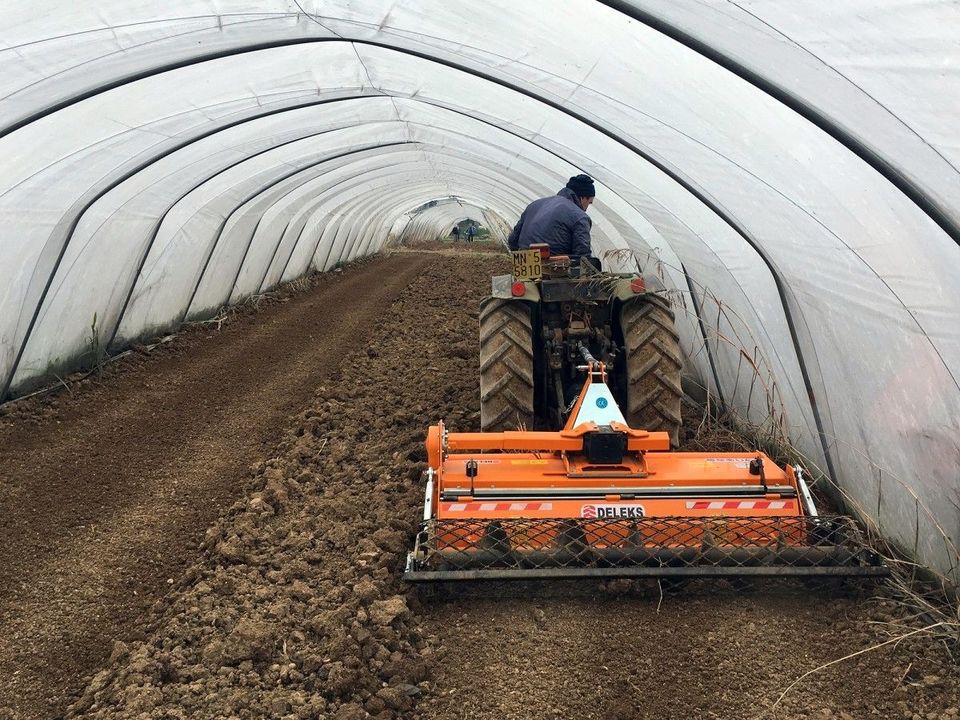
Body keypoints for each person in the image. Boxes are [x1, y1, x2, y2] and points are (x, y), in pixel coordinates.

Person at [507, 174, 595, 260]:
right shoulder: (580, 217)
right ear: (582, 198)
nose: (587, 208)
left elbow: (513, 240)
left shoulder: (534, 205)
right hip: (557, 269)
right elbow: (583, 257)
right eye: (589, 202)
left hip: (524, 262)